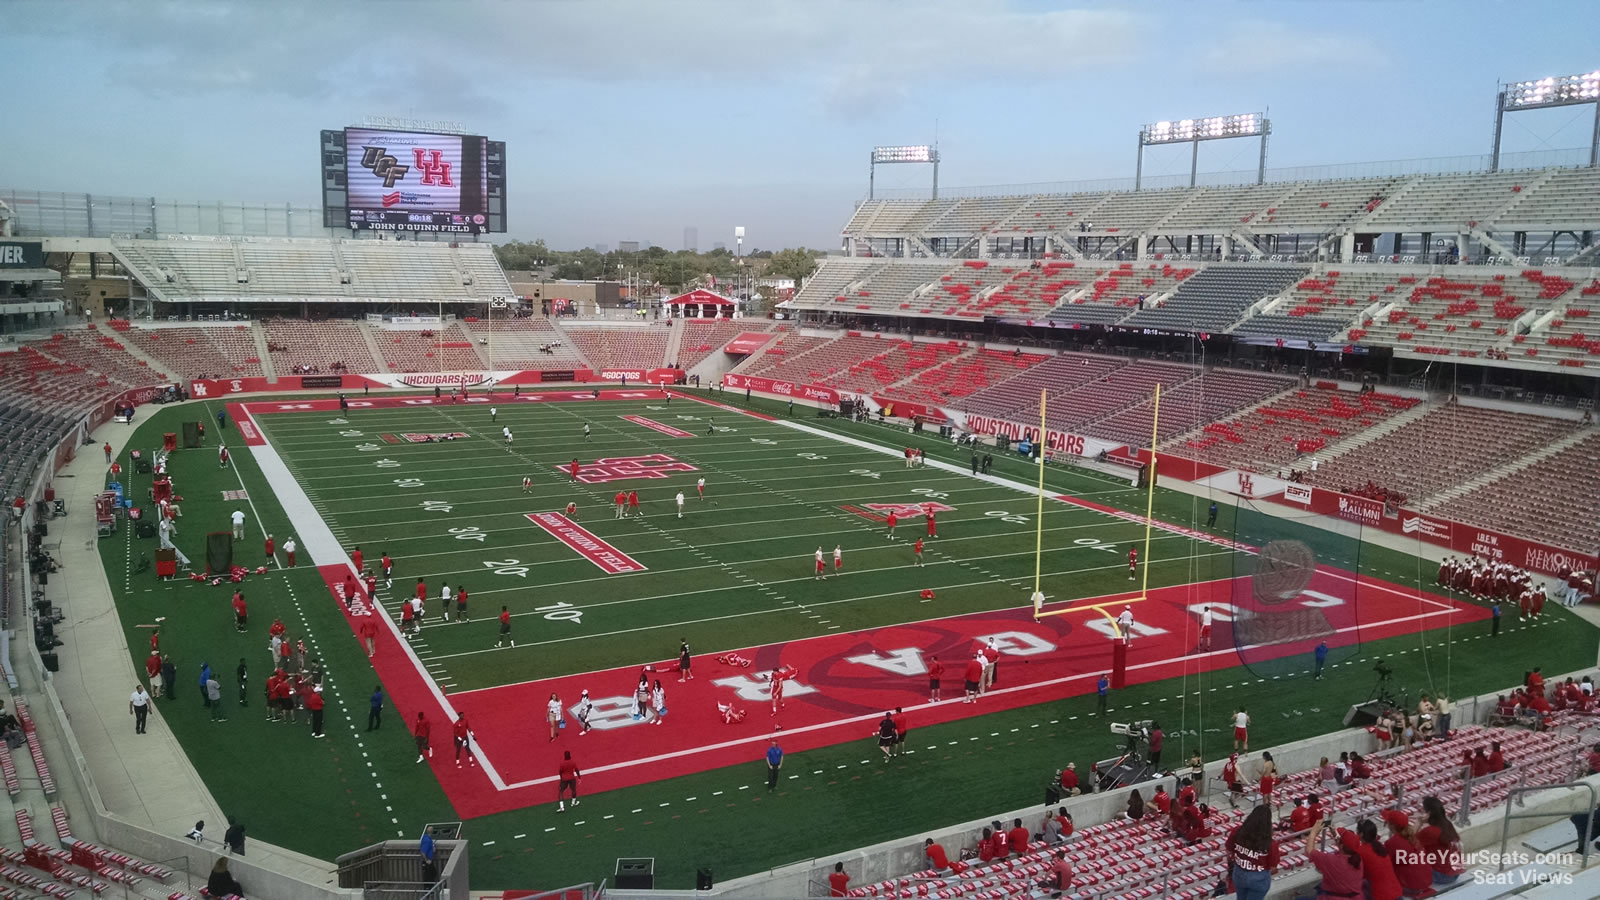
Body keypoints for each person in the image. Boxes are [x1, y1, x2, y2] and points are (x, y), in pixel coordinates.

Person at [1226, 806, 1280, 900]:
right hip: (1258, 877)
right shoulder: (1270, 843)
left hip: (1239, 872)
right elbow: (1273, 866)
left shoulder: (1237, 831)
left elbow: (1229, 850)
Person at [1304, 818, 1363, 900]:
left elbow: (1309, 851)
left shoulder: (1333, 861)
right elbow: (1344, 849)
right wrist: (1335, 835)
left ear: (1341, 845)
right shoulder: (1358, 860)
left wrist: (1313, 833)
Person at [1416, 795, 1463, 886]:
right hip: (1455, 873)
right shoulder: (1447, 824)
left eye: (1422, 810)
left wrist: (1418, 823)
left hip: (1441, 875)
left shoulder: (1430, 831)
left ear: (1428, 813)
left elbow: (1408, 842)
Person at [1353, 818, 1403, 900]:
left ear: (1361, 834)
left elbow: (1355, 875)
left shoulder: (1361, 851)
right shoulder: (1380, 847)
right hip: (1397, 892)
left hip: (1381, 896)